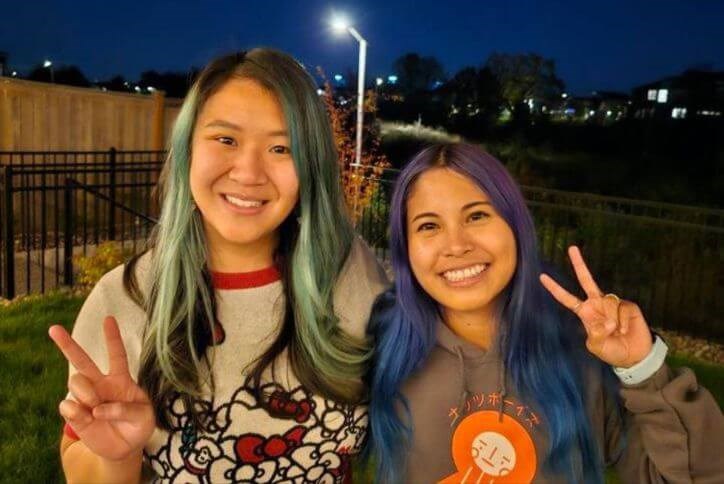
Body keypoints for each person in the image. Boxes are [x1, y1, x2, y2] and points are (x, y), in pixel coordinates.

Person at [49, 48, 388, 483]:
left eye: (281, 147)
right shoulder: (123, 301)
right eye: (225, 139)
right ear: (188, 148)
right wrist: (119, 455)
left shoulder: (354, 275)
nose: (249, 172)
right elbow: (84, 470)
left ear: (310, 167)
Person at [367, 142, 724, 483]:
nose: (457, 245)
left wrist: (644, 370)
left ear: (516, 227)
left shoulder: (581, 354)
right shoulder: (378, 349)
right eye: (429, 225)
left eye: (477, 216)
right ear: (406, 248)